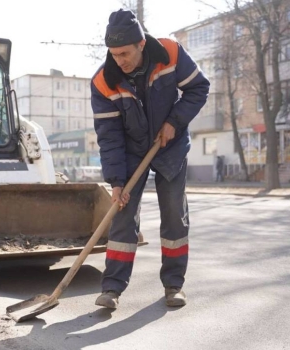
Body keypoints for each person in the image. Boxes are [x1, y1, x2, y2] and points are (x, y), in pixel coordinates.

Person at [91, 9, 210, 309]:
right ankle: (112, 288)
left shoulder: (169, 53)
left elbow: (199, 88)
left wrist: (175, 121)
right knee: (123, 215)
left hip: (168, 145)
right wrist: (117, 181)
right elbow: (109, 137)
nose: (120, 60)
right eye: (114, 54)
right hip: (131, 152)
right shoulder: (104, 82)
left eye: (125, 53)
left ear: (141, 44)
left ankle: (173, 285)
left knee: (173, 213)